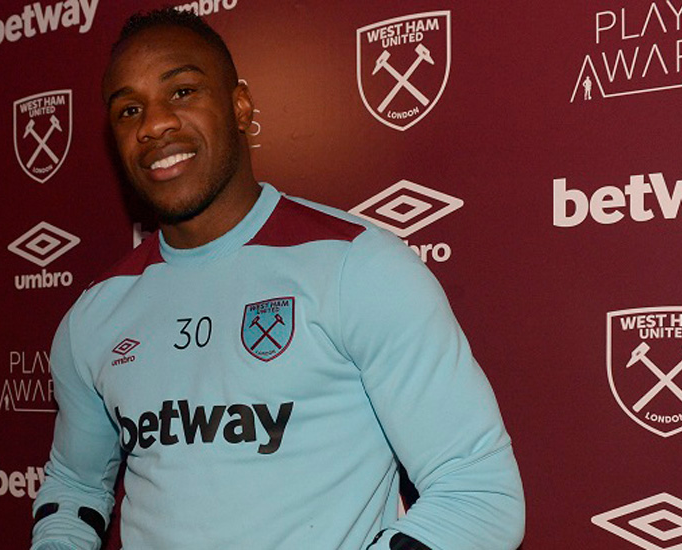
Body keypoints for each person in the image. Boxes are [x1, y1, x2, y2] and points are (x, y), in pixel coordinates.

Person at [31, 9, 524, 550]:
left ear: (240, 106)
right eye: (129, 110)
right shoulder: (95, 315)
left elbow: (478, 495)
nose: (154, 124)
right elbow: (75, 486)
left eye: (182, 92)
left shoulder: (356, 267)